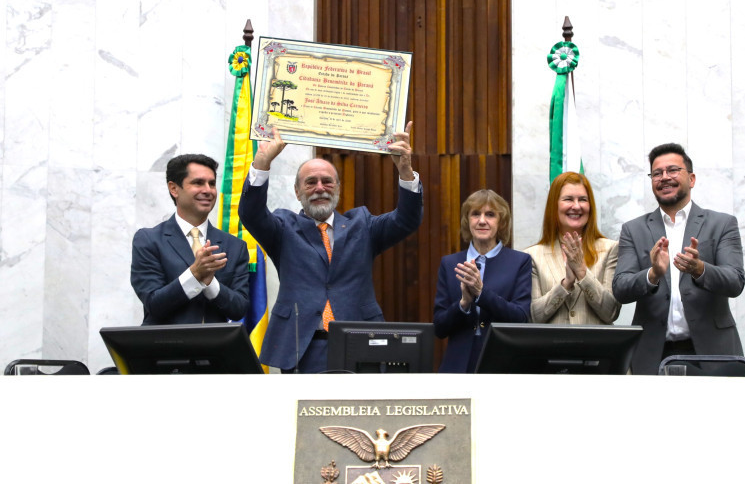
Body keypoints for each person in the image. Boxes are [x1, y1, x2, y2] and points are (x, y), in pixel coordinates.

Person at [238, 123, 423, 373]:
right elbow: (251, 214)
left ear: (338, 188)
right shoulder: (283, 228)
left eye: (327, 181)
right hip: (302, 347)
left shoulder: (363, 225)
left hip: (360, 343)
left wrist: (405, 171)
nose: (320, 188)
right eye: (310, 182)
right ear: (297, 191)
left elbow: (406, 220)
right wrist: (261, 164)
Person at [613, 143, 745, 375]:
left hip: (712, 351)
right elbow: (621, 288)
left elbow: (735, 281)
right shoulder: (633, 230)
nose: (664, 177)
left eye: (673, 170)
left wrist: (700, 269)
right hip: (653, 353)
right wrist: (652, 275)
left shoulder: (722, 224)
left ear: (691, 179)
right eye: (657, 173)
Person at [131, 154, 250, 325]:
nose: (208, 190)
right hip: (164, 349)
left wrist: (211, 284)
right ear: (174, 189)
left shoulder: (235, 246)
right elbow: (154, 303)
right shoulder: (149, 240)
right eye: (198, 183)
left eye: (212, 184)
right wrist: (195, 274)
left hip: (215, 350)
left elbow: (239, 309)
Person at [433, 190, 531, 373]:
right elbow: (439, 328)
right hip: (458, 365)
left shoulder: (520, 262)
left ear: (501, 222)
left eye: (490, 215)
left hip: (502, 365)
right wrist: (463, 304)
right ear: (467, 220)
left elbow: (520, 318)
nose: (482, 220)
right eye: (475, 214)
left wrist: (481, 293)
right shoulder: (450, 263)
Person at [524, 172, 621, 326]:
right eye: (568, 199)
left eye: (583, 199)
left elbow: (611, 313)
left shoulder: (610, 249)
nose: (576, 206)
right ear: (554, 205)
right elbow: (533, 316)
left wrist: (582, 272)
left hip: (596, 349)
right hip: (550, 349)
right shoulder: (532, 256)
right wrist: (566, 284)